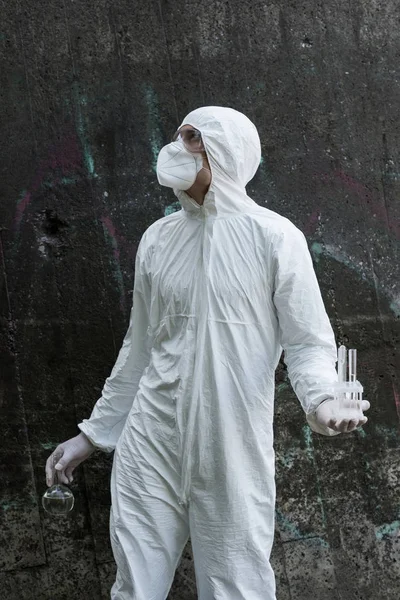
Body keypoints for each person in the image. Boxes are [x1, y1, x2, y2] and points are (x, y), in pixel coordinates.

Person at [45, 106, 370, 600]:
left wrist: (323, 403)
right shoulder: (158, 239)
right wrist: (93, 435)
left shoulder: (275, 237)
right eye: (178, 135)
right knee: (135, 587)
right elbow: (139, 348)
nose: (177, 146)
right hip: (151, 441)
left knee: (236, 586)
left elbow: (307, 342)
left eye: (193, 138)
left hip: (230, 444)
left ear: (226, 150)